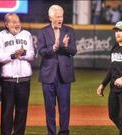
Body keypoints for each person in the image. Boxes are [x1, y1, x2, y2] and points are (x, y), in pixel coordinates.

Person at [37, 5, 77, 135]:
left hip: (64, 75)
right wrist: (54, 47)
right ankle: (51, 133)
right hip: (48, 75)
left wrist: (65, 46)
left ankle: (64, 132)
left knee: (64, 107)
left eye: (61, 16)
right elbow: (41, 52)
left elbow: (74, 51)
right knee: (49, 108)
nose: (60, 19)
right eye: (57, 16)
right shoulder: (43, 32)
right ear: (50, 17)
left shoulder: (69, 30)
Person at [0, 13, 34, 135]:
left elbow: (32, 54)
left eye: (18, 21)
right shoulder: (0, 36)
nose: (17, 24)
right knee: (7, 111)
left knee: (22, 111)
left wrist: (24, 53)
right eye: (14, 22)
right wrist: (12, 55)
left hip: (24, 80)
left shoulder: (27, 35)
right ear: (6, 24)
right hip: (8, 81)